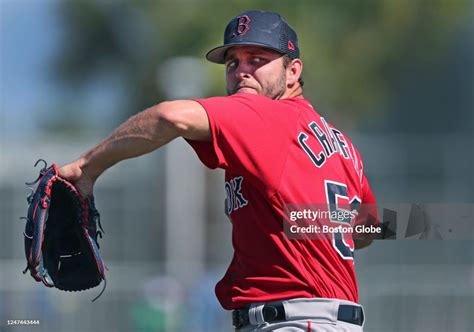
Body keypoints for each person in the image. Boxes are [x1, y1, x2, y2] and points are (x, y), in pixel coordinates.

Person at [59, 10, 377, 332]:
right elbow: (369, 228)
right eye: (233, 63)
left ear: (292, 71)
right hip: (326, 320)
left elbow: (170, 117)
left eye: (256, 59)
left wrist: (87, 167)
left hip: (293, 321)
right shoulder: (343, 146)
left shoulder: (265, 115)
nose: (242, 71)